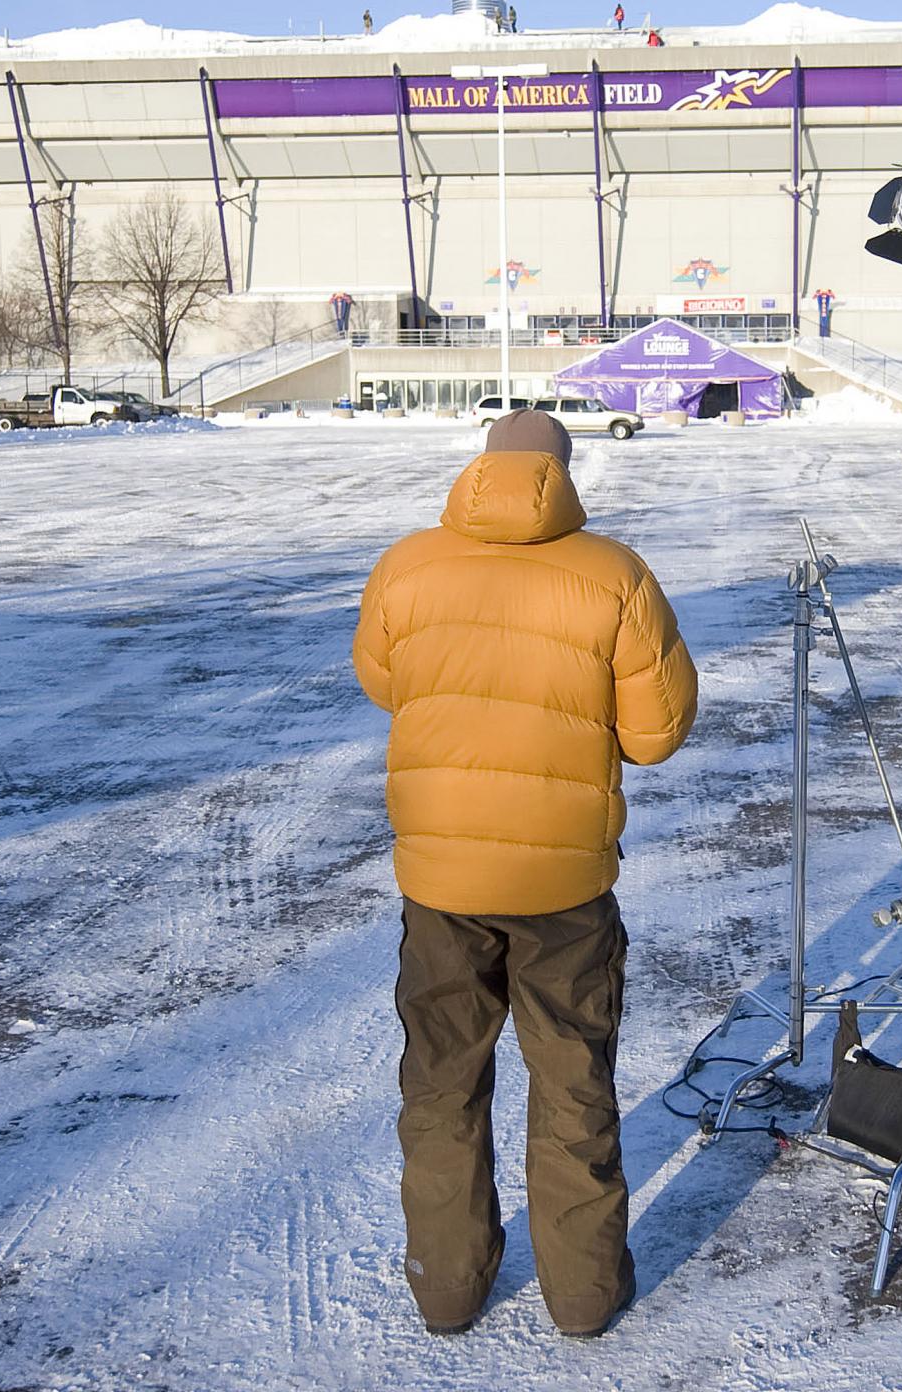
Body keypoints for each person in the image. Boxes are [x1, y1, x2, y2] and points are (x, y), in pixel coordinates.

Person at [351, 407, 699, 1337]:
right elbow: (657, 735)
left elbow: (385, 681)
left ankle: (448, 1289)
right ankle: (582, 1300)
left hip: (441, 881)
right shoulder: (613, 573)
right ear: (566, 469)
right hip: (564, 891)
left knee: (440, 1082)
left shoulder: (407, 564)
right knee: (573, 1080)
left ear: (479, 466)